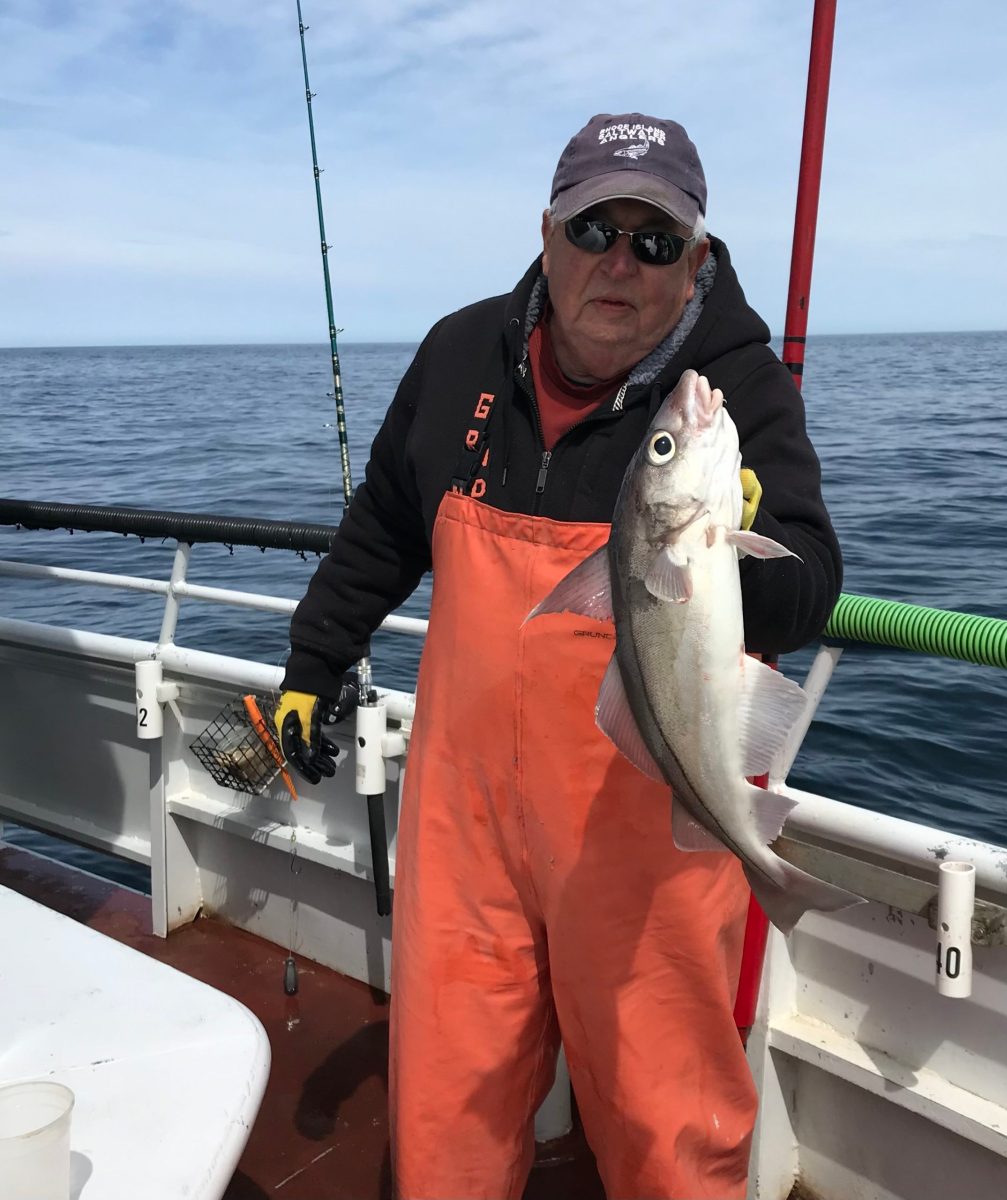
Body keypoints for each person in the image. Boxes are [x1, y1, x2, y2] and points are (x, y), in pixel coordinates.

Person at [275, 111, 842, 1200]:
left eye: (656, 241)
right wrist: (314, 659)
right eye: (594, 229)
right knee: (447, 1098)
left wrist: (735, 551)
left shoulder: (735, 394)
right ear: (547, 236)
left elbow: (812, 583)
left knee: (666, 1116)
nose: (618, 263)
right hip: (466, 822)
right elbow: (386, 524)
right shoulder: (459, 355)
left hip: (648, 839)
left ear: (698, 265)